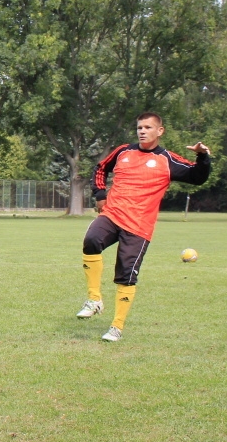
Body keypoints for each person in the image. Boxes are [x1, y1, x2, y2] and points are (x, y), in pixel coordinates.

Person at [76, 112, 210, 342]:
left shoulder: (167, 160)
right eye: (139, 127)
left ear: (160, 131)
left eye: (148, 127)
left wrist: (203, 156)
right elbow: (100, 168)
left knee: (125, 275)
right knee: (91, 241)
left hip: (138, 226)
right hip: (112, 214)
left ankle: (116, 326)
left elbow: (197, 177)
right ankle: (94, 299)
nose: (142, 131)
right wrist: (100, 194)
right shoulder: (123, 152)